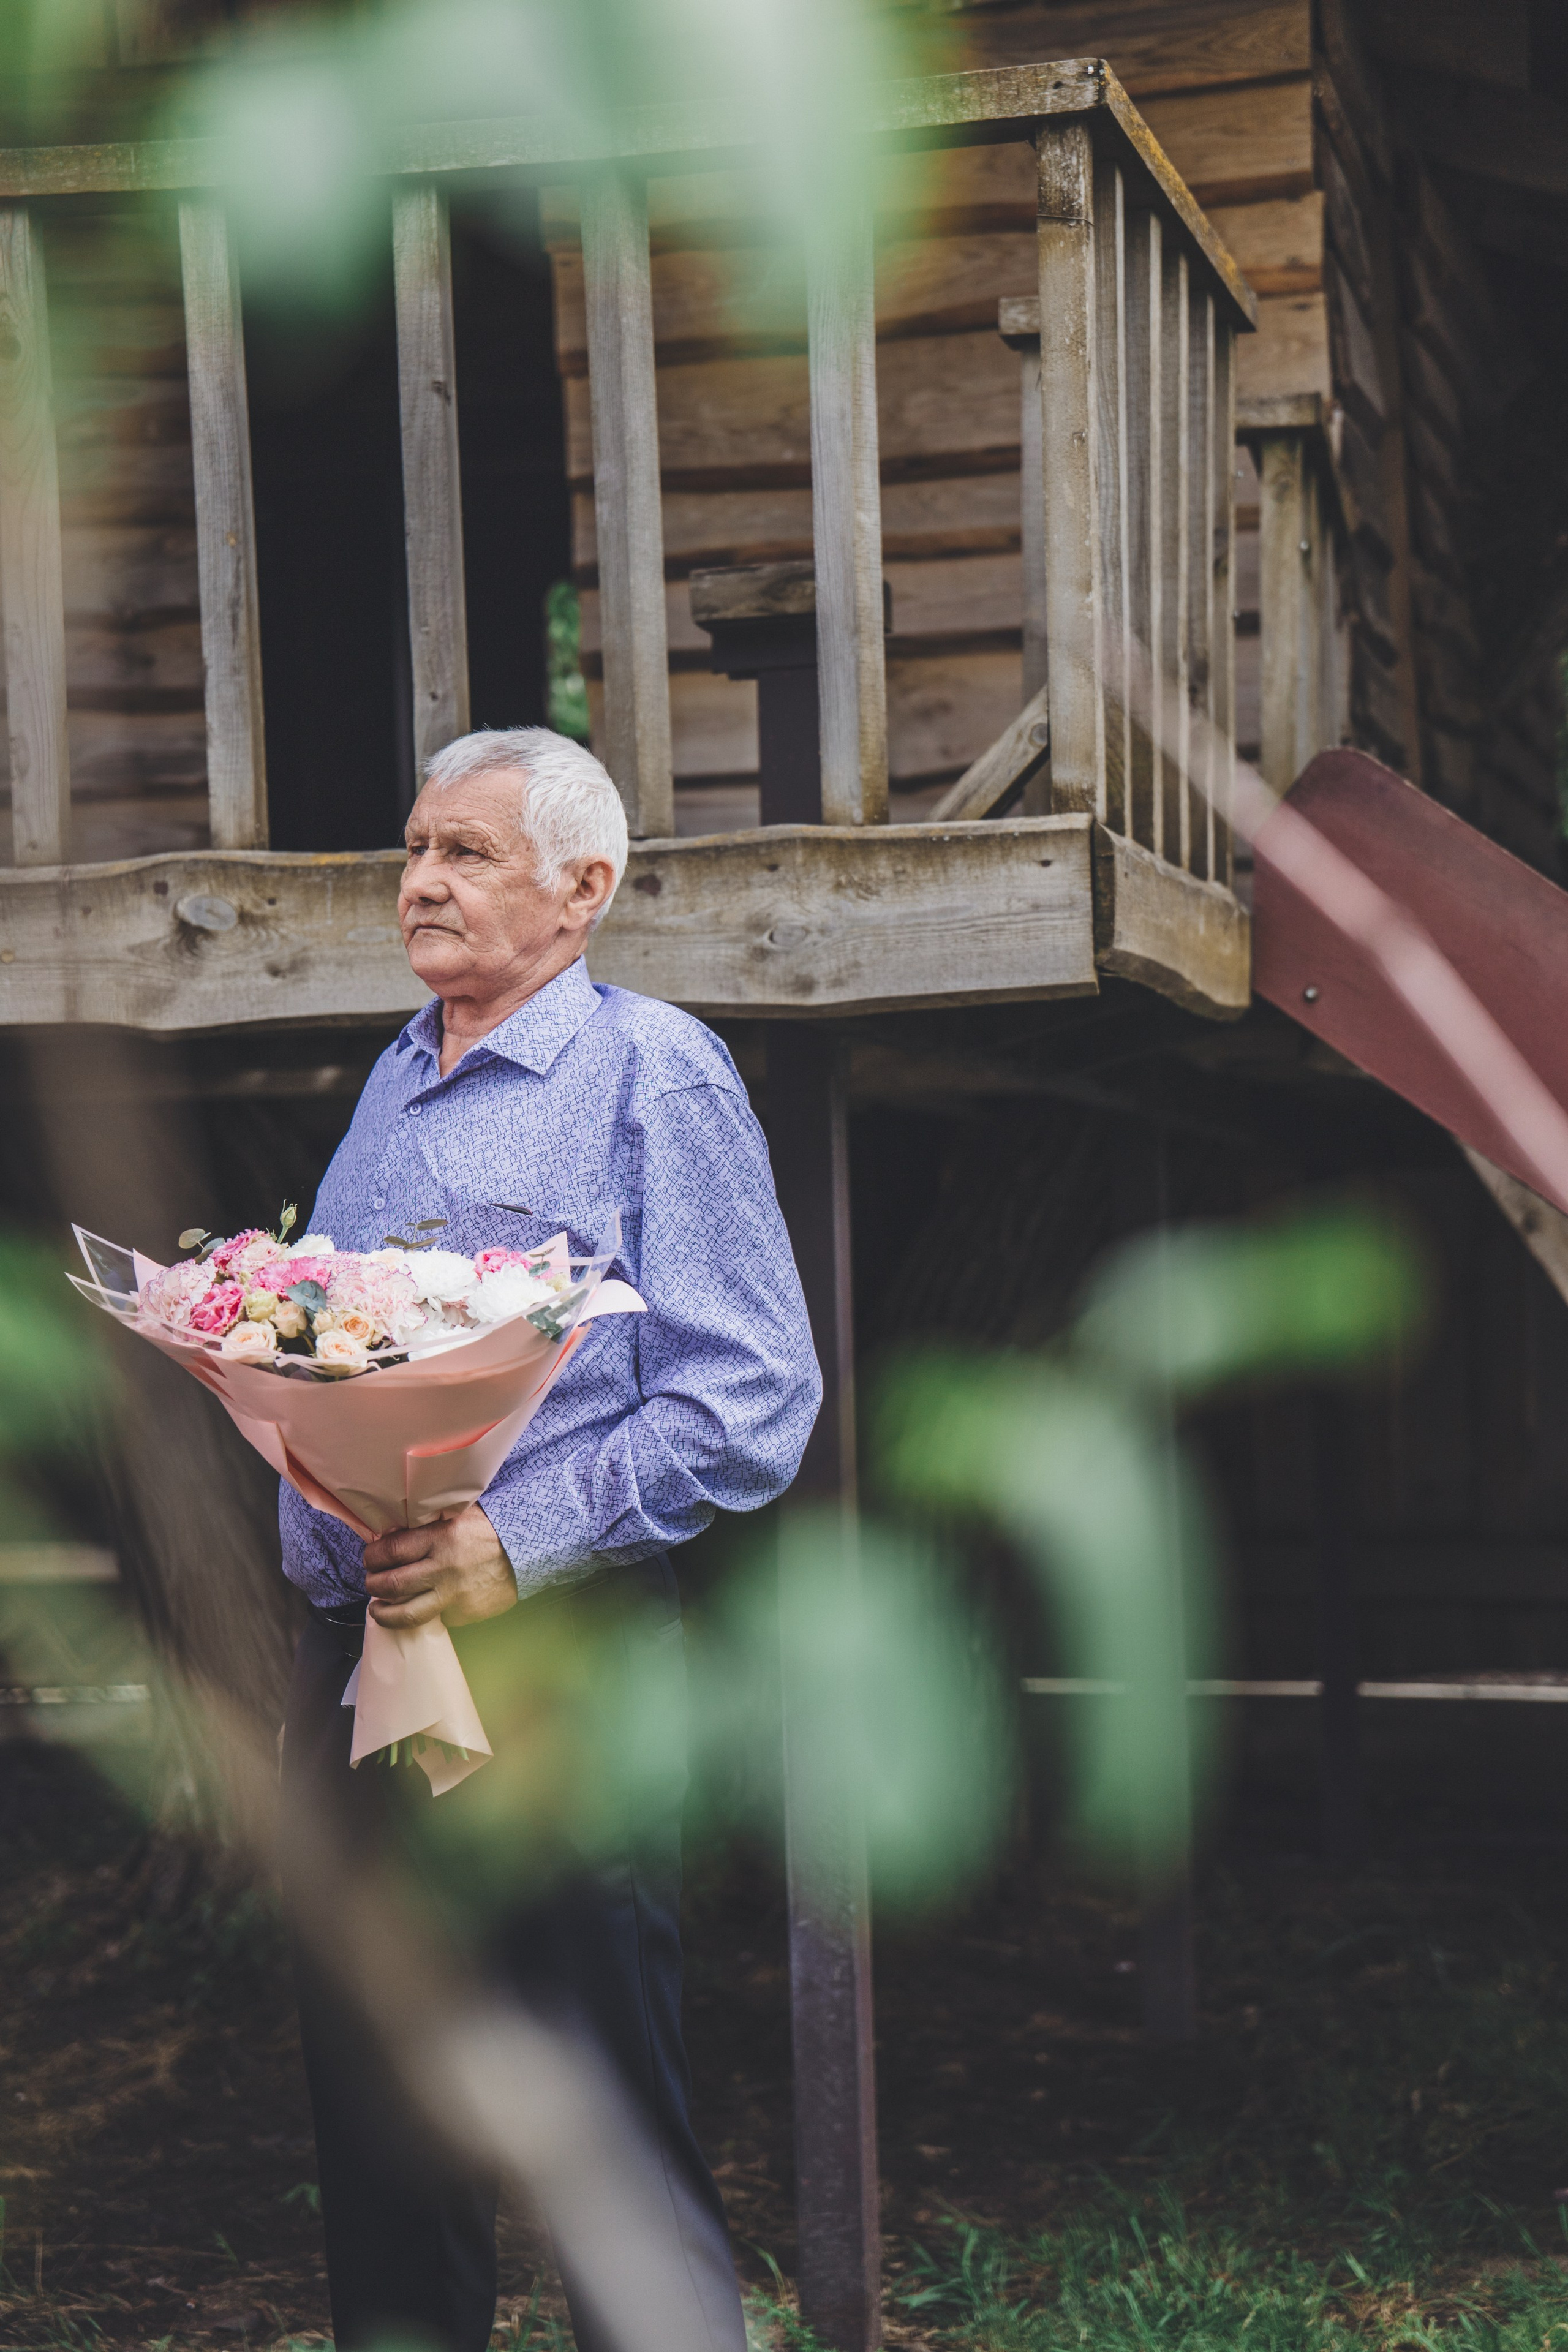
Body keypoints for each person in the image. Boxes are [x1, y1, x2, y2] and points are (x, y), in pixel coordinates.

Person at [276, 726, 821, 2352]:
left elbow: (752, 1390)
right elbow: (319, 1363)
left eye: (468, 854)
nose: (422, 881)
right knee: (381, 2131)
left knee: (603, 2133)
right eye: (415, 846)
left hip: (562, 1676)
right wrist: (330, 1539)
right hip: (372, 1684)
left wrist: (512, 1540)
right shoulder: (391, 1081)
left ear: (583, 892)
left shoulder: (655, 1070)